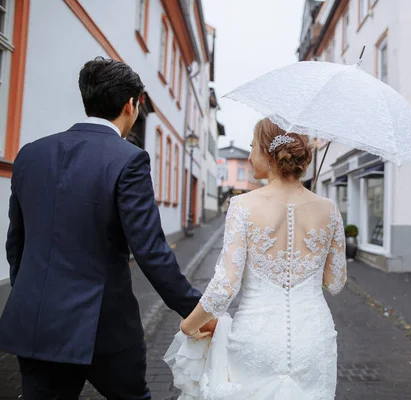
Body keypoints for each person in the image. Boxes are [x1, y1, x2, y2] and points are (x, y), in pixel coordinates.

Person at [0, 57, 211, 399]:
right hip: (103, 329)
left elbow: (16, 244)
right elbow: (151, 251)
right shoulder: (128, 158)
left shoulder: (30, 154)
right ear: (131, 105)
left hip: (36, 324)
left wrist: (30, 295)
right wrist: (195, 309)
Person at [166, 118, 347, 399]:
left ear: (268, 152)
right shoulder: (329, 209)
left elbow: (226, 286)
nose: (249, 156)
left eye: (252, 147)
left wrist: (189, 324)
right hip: (314, 337)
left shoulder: (242, 206)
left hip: (257, 339)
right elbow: (335, 283)